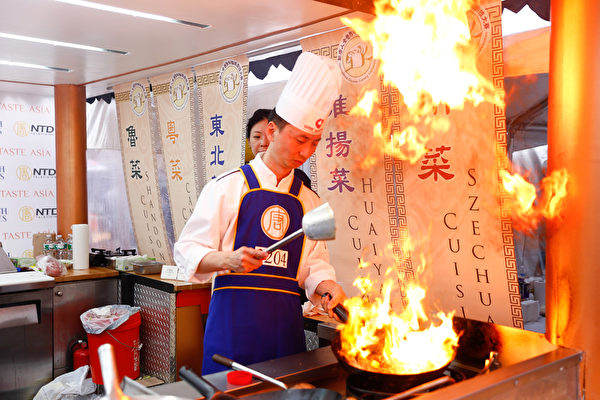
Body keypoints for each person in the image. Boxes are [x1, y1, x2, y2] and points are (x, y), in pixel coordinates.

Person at [174, 52, 346, 374]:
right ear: (271, 131)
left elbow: (314, 267)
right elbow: (186, 252)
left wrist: (326, 288)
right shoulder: (227, 187)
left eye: (314, 143)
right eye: (300, 140)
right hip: (231, 334)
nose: (306, 152)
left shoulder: (309, 201)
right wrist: (229, 260)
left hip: (285, 335)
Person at [246, 108, 312, 188]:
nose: (263, 143)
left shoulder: (299, 179)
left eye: (270, 135)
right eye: (257, 137)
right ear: (249, 141)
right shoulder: (239, 178)